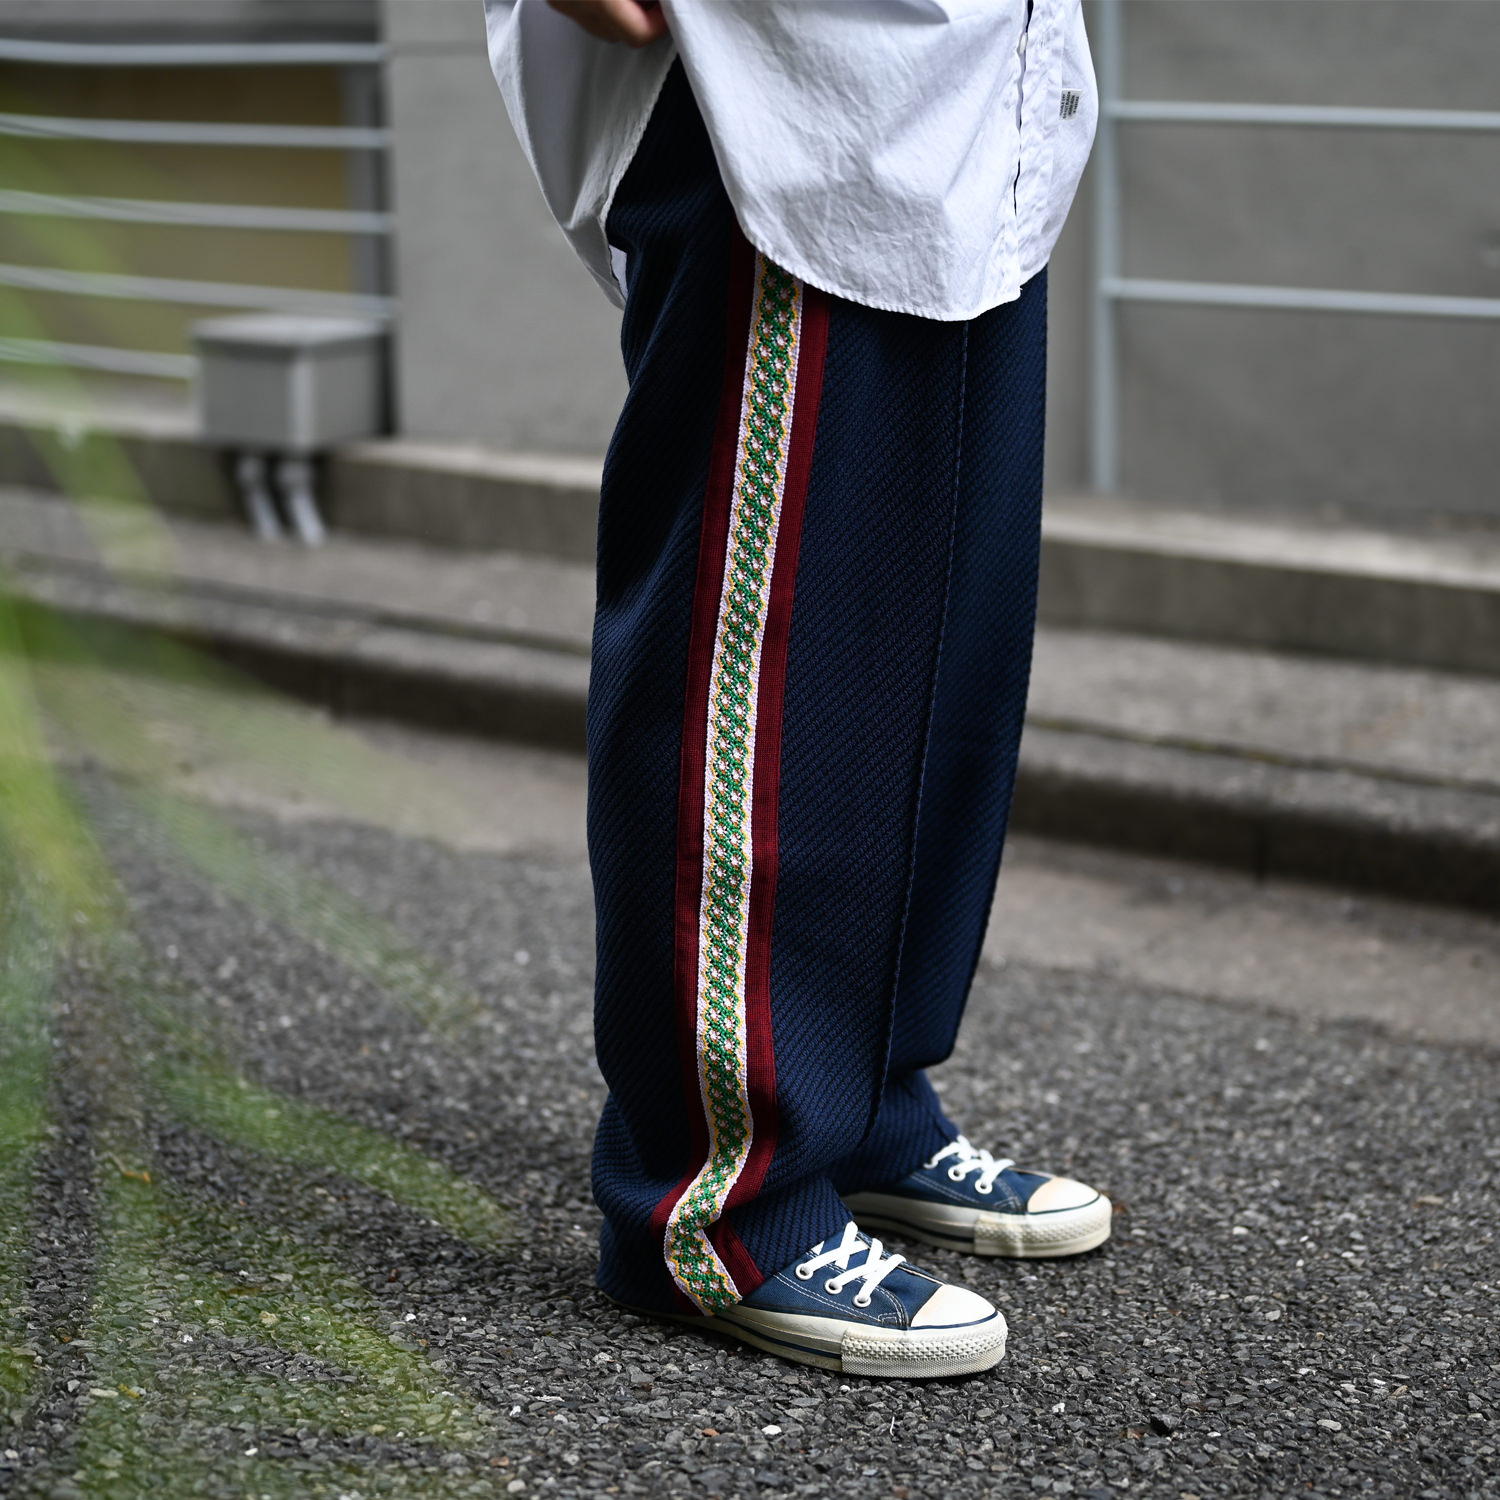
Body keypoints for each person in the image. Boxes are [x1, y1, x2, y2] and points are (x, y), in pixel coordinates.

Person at [484, 0, 1107, 1379]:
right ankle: (721, 1194)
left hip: (965, 84)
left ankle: (860, 1099)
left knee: (932, 641)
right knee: (758, 659)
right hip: (769, 84)